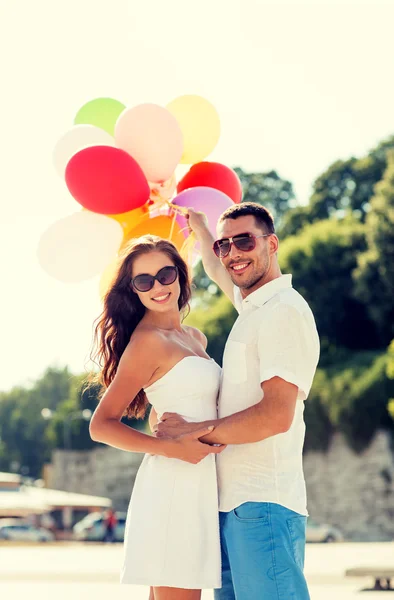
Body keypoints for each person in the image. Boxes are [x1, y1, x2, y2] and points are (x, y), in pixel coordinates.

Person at [155, 202, 320, 600]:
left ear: (272, 243)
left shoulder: (283, 311)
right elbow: (218, 272)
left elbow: (276, 415)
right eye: (224, 246)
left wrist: (194, 433)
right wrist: (198, 227)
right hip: (231, 507)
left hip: (262, 506)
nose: (232, 253)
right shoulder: (252, 308)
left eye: (243, 240)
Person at [89, 235, 226, 600]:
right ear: (133, 290)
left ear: (180, 275)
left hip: (198, 484)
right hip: (172, 486)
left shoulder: (195, 337)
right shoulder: (146, 342)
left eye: (165, 274)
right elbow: (101, 425)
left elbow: (173, 395)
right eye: (143, 281)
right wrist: (172, 450)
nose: (158, 287)